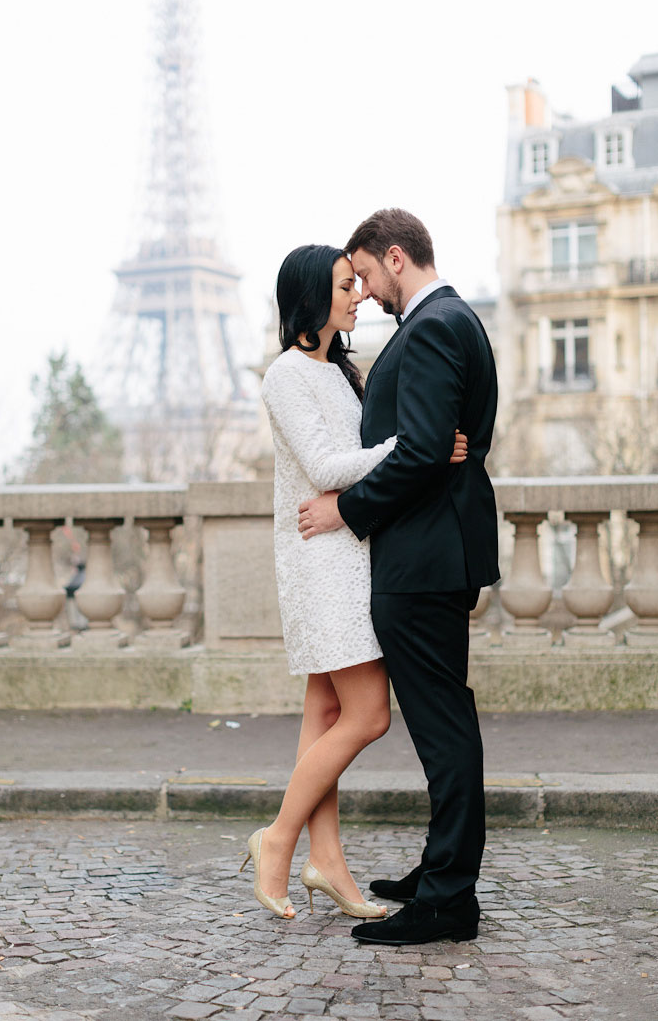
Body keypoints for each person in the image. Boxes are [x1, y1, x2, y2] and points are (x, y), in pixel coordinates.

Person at [239, 243, 467, 921]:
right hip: (322, 560)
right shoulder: (286, 375)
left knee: (325, 716)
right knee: (367, 716)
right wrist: (415, 447)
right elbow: (325, 464)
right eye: (346, 285)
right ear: (313, 297)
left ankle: (327, 861)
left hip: (348, 551)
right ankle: (277, 838)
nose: (359, 294)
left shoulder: (338, 370)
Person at [298, 208, 499, 946]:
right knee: (446, 724)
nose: (367, 293)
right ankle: (441, 872)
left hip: (421, 560)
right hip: (435, 550)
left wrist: (345, 511)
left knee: (444, 729)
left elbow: (420, 452)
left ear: (394, 257)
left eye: (368, 275)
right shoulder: (454, 320)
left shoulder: (434, 326)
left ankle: (449, 898)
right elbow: (437, 445)